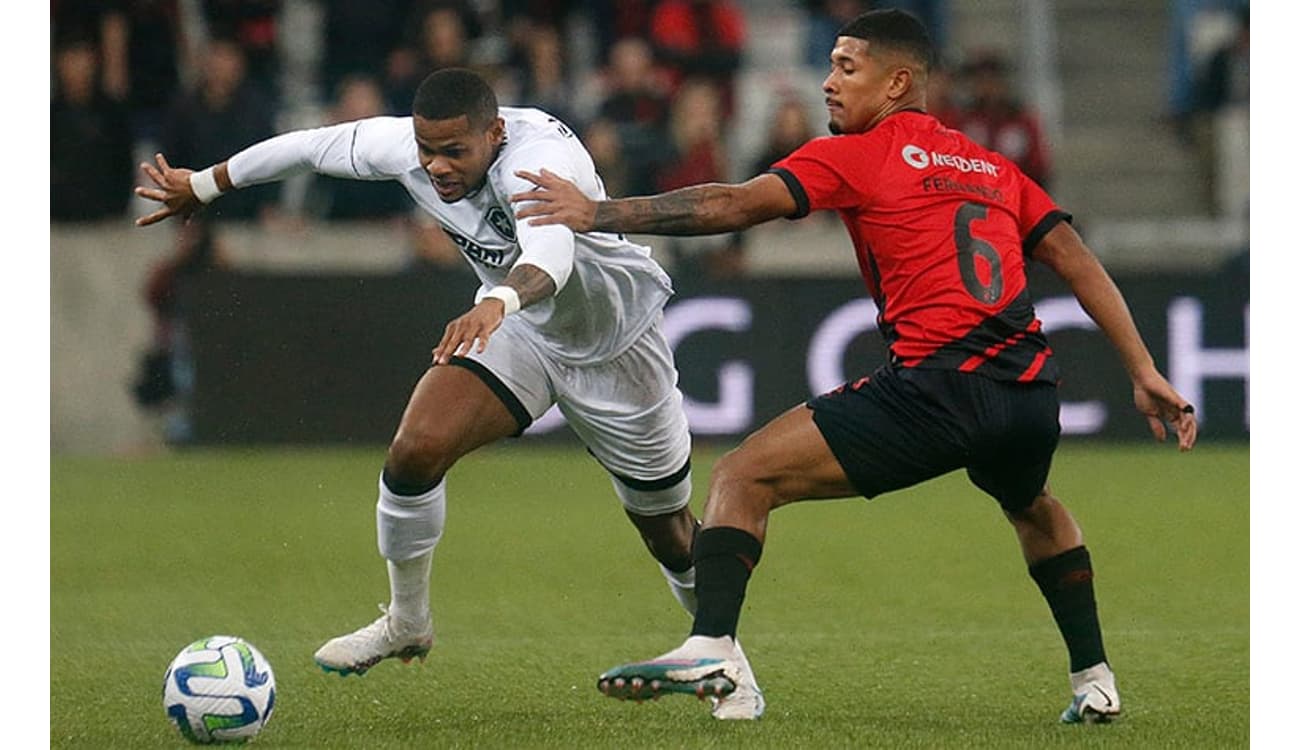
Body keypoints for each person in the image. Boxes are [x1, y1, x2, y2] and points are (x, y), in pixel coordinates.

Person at [510, 9, 1198, 724]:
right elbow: (1076, 260)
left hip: (936, 387)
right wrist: (1143, 370)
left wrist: (599, 212)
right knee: (1032, 505)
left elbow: (732, 203)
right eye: (831, 65)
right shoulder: (993, 168)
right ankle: (1095, 680)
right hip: (1027, 394)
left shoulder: (861, 154)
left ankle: (712, 644)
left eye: (846, 68)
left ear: (898, 82)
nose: (829, 84)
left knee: (743, 476)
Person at [132, 67, 765, 720]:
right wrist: (202, 184)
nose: (434, 166)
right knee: (414, 451)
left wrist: (497, 300)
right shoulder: (409, 147)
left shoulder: (541, 161)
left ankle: (726, 658)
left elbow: (552, 257)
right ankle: (407, 619)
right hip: (522, 333)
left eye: (452, 152)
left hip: (617, 349)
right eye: (426, 149)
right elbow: (310, 147)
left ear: (493, 133)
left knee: (667, 531)